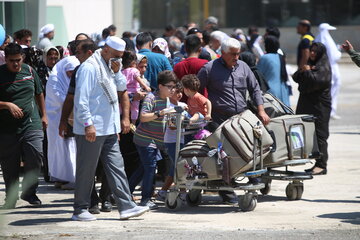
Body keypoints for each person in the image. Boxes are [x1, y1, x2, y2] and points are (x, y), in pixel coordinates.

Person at [72, 36, 149, 221]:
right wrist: (88, 124)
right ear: (106, 49)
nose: (118, 59)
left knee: (117, 167)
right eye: (115, 55)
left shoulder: (110, 65)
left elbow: (120, 89)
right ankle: (80, 209)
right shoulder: (89, 67)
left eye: (121, 57)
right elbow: (81, 100)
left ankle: (126, 206)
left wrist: (117, 71)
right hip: (92, 128)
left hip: (109, 128)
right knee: (87, 169)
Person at [198, 38, 270, 203]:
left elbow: (255, 89)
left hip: (242, 118)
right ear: (222, 53)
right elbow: (196, 90)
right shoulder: (209, 69)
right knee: (224, 156)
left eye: (238, 54)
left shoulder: (244, 67)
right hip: (219, 119)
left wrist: (261, 110)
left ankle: (255, 181)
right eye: (233, 54)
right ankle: (226, 190)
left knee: (252, 148)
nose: (236, 57)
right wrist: (202, 109)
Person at [0, 43, 47, 209]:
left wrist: (44, 115)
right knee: (10, 166)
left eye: (18, 60)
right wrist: (7, 105)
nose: (15, 64)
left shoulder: (29, 71)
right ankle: (10, 198)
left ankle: (29, 192)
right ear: (5, 59)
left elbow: (39, 92)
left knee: (36, 155)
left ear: (23, 58)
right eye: (11, 60)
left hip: (31, 123)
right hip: (6, 129)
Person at [129, 70, 177, 210]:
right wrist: (160, 113)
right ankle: (145, 199)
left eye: (174, 87)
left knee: (143, 168)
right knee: (150, 168)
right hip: (145, 139)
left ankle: (125, 193)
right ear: (160, 86)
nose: (172, 90)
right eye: (169, 86)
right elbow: (143, 117)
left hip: (156, 141)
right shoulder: (151, 97)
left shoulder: (167, 100)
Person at [292, 42, 331, 175]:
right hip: (307, 105)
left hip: (320, 107)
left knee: (320, 135)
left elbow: (316, 82)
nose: (312, 53)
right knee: (308, 134)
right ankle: (315, 161)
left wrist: (308, 71)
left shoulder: (324, 67)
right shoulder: (310, 64)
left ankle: (322, 165)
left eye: (315, 51)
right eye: (311, 51)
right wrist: (303, 70)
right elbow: (295, 77)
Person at [46, 56, 79, 186]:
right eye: (69, 71)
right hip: (56, 119)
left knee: (71, 147)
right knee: (59, 148)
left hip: (71, 118)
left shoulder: (75, 78)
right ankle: (61, 177)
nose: (71, 74)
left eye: (73, 71)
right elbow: (58, 99)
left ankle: (71, 177)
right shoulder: (55, 79)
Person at [156, 83, 187, 201]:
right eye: (176, 92)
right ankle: (183, 191)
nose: (179, 94)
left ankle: (163, 192)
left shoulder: (183, 105)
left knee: (175, 167)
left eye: (180, 92)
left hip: (181, 140)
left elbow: (188, 119)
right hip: (170, 141)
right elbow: (172, 126)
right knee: (179, 166)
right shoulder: (167, 106)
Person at [315, 23, 342, 120]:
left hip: (321, 67)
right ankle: (331, 110)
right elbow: (335, 56)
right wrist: (339, 52)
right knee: (334, 87)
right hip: (332, 68)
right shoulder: (328, 41)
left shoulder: (317, 39)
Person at [257, 36, 290, 106]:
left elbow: (258, 75)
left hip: (270, 93)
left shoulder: (264, 58)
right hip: (283, 92)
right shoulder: (280, 56)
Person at [121, 51, 151, 124]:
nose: (144, 69)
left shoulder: (145, 81)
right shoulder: (124, 74)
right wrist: (133, 97)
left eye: (145, 66)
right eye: (141, 66)